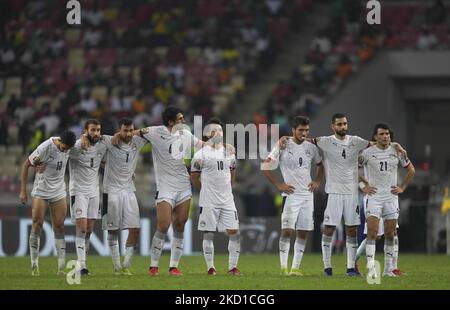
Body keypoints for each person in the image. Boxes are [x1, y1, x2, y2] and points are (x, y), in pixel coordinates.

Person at [139, 107, 203, 276]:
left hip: (183, 185)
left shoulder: (186, 134)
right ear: (170, 122)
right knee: (163, 224)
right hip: (165, 187)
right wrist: (117, 136)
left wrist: (220, 145)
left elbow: (202, 146)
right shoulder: (155, 132)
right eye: (180, 119)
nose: (183, 121)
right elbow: (132, 133)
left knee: (180, 224)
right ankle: (153, 266)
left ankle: (173, 266)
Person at [263, 116, 323, 276]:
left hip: (307, 195)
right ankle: (283, 268)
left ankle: (295, 268)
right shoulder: (282, 144)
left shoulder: (312, 147)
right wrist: (278, 184)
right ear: (293, 130)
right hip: (290, 195)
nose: (304, 133)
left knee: (303, 232)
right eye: (301, 130)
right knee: (287, 231)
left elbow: (320, 165)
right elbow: (265, 166)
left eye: (306, 130)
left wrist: (317, 180)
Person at [358, 123, 415, 278]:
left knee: (390, 234)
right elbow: (352, 170)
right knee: (372, 233)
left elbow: (411, 170)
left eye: (387, 134)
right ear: (375, 136)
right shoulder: (367, 153)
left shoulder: (397, 151)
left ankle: (388, 270)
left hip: (391, 198)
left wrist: (402, 187)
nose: (385, 137)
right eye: (382, 134)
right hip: (374, 198)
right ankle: (371, 268)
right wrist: (363, 185)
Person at [19, 130, 76, 276]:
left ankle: (61, 268)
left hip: (58, 190)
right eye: (64, 148)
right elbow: (26, 165)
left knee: (59, 226)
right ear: (59, 141)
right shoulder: (45, 147)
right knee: (37, 223)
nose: (66, 151)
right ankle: (34, 265)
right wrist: (23, 191)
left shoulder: (69, 146)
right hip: (41, 190)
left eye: (68, 149)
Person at [190, 118, 241, 275]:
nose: (218, 132)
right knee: (209, 233)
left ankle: (232, 267)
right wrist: (203, 189)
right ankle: (210, 267)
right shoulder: (200, 154)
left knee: (234, 232)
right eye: (214, 130)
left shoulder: (229, 152)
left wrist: (229, 188)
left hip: (227, 199)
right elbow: (193, 177)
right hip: (209, 200)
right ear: (207, 134)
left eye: (220, 130)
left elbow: (232, 172)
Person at [100, 118, 147, 275]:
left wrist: (135, 132)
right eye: (125, 130)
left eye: (130, 130)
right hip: (110, 191)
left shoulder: (137, 142)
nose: (128, 134)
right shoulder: (108, 141)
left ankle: (126, 265)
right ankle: (116, 267)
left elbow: (152, 132)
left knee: (135, 228)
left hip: (128, 190)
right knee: (113, 230)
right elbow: (87, 136)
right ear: (119, 130)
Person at [68, 119, 107, 275]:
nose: (96, 133)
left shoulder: (102, 144)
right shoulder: (76, 146)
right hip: (78, 192)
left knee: (89, 229)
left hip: (94, 192)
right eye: (93, 130)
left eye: (98, 130)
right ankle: (81, 266)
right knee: (82, 228)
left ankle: (83, 261)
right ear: (85, 131)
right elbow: (60, 147)